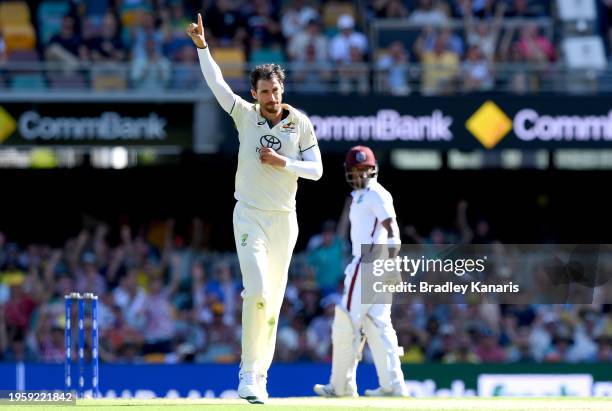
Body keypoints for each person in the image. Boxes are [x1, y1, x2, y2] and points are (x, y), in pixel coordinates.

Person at [186, 13, 323, 404]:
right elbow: (216, 84)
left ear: (282, 90)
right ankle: (247, 373)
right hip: (249, 216)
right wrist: (203, 47)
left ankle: (260, 376)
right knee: (258, 292)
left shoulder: (299, 124)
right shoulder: (244, 116)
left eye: (276, 91)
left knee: (273, 306)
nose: (271, 98)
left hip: (285, 220)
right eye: (264, 92)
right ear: (254, 93)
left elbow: (316, 171)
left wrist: (283, 164)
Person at [314, 146, 408, 397]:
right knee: (377, 325)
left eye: (364, 170)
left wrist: (390, 262)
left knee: (345, 320)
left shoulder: (377, 194)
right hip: (374, 264)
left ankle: (341, 386)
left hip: (368, 262)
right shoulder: (359, 197)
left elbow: (392, 230)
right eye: (355, 170)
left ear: (373, 169)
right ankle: (393, 385)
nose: (360, 175)